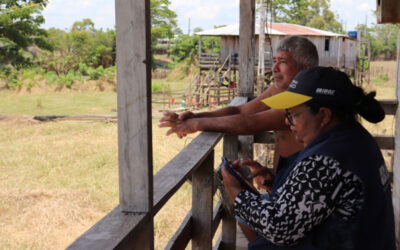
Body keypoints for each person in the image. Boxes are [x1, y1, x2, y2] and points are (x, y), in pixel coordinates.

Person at [221, 66, 396, 250]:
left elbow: (279, 228)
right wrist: (275, 185)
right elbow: (318, 196)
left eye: (293, 115)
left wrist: (237, 190)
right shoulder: (353, 137)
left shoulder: (328, 159)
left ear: (323, 115)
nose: (288, 122)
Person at [159, 36, 319, 169]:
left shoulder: (306, 101)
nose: (275, 67)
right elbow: (241, 111)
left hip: (300, 190)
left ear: (305, 69)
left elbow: (251, 123)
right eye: (275, 60)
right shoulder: (278, 90)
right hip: (280, 183)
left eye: (282, 62)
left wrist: (196, 124)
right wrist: (195, 116)